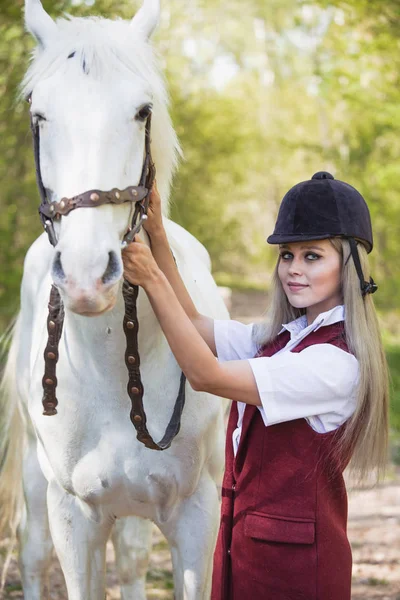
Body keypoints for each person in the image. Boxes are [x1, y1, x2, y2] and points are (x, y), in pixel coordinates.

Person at [122, 171, 389, 600]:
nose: (293, 270)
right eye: (287, 255)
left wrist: (151, 278)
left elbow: (205, 374)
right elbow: (193, 323)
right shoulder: (282, 338)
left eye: (312, 256)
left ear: (350, 266)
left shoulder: (335, 362)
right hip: (241, 554)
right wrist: (156, 231)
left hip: (295, 574)